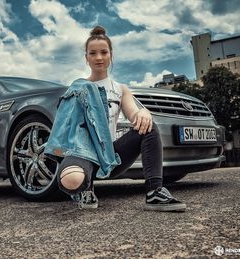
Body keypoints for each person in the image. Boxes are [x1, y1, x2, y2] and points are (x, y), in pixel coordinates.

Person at [45, 26, 186, 212]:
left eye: (103, 52)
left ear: (111, 55)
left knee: (149, 128)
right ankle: (85, 189)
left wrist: (143, 113)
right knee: (71, 179)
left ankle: (155, 192)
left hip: (112, 156)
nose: (98, 57)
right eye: (93, 53)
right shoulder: (78, 89)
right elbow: (67, 127)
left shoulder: (120, 89)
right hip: (83, 154)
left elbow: (133, 114)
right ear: (86, 58)